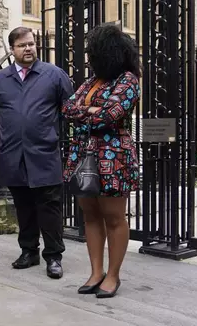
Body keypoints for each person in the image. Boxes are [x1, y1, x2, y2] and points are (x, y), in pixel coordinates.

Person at [0, 26, 73, 279]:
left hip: (44, 154)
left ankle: (54, 256)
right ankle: (28, 251)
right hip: (14, 155)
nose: (28, 48)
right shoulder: (0, 81)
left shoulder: (54, 75)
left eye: (31, 44)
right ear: (13, 50)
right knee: (23, 206)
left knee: (50, 207)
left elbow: (69, 108)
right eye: (22, 45)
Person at [62, 23, 140, 298]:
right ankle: (96, 272)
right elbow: (67, 107)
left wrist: (87, 110)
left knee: (114, 216)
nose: (89, 58)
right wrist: (91, 109)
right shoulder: (90, 81)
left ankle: (113, 275)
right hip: (85, 154)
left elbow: (110, 114)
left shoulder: (128, 80)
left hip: (113, 156)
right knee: (91, 215)